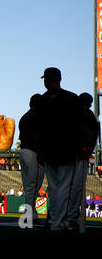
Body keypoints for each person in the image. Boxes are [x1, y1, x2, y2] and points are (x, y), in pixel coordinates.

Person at [34, 67, 82, 231]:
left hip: (48, 149)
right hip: (68, 149)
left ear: (47, 80)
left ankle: (54, 219)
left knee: (54, 187)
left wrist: (39, 150)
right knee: (64, 187)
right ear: (59, 79)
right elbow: (79, 126)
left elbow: (37, 128)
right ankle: (58, 222)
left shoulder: (42, 100)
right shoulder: (72, 98)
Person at [67, 92, 99, 229]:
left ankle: (61, 216)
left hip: (69, 154)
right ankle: (71, 217)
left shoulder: (71, 113)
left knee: (66, 186)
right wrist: (87, 149)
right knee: (76, 186)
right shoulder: (87, 115)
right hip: (78, 154)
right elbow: (93, 134)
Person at [19, 93, 45, 223]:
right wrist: (40, 152)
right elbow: (37, 137)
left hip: (23, 152)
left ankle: (31, 213)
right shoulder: (38, 116)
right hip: (34, 153)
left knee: (29, 186)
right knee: (33, 186)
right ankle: (29, 214)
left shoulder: (25, 116)